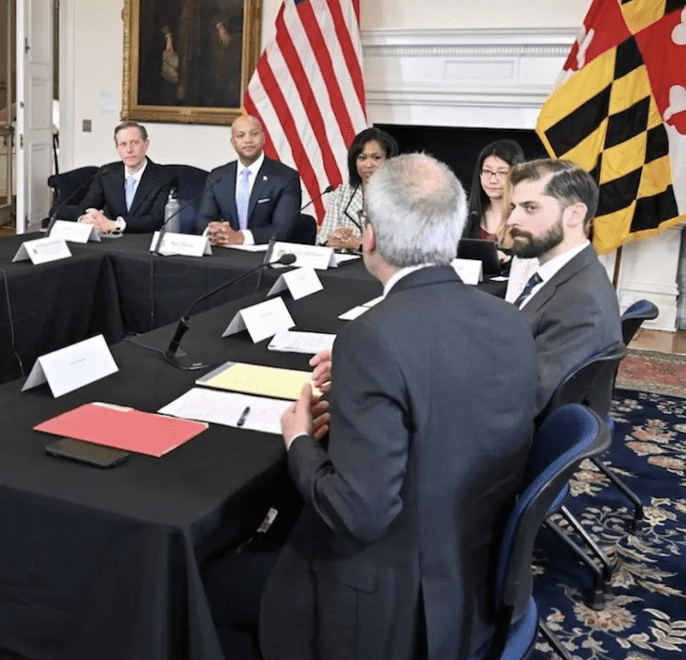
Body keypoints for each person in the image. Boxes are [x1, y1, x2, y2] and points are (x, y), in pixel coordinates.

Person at [206, 153, 537, 660]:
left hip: (387, 608)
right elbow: (447, 404)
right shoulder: (510, 319)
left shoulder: (371, 338)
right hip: (472, 579)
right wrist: (368, 396)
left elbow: (357, 513)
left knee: (204, 584)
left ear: (371, 236)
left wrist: (298, 439)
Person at [505, 158, 622, 412]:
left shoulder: (581, 302)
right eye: (513, 207)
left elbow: (524, 401)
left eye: (530, 208)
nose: (511, 220)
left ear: (574, 215)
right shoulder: (571, 273)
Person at [197, 115, 301, 246]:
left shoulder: (286, 177)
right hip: (223, 252)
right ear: (232, 142)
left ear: (263, 138)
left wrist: (240, 237)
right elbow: (203, 219)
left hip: (263, 254)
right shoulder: (218, 176)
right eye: (240, 136)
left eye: (254, 134)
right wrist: (214, 232)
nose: (248, 140)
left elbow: (283, 229)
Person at [152, 0, 232, 107]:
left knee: (196, 68)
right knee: (177, 69)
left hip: (197, 36)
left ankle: (193, 101)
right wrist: (168, 37)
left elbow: (210, 8)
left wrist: (220, 27)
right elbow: (163, 12)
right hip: (178, 35)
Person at [76, 122, 175, 234]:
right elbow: (86, 206)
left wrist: (115, 225)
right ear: (117, 149)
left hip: (143, 243)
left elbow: (156, 219)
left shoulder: (163, 176)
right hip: (110, 242)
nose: (129, 150)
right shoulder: (106, 173)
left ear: (146, 144)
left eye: (135, 143)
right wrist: (87, 218)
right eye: (123, 144)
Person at [317, 127, 398, 251]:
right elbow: (323, 238)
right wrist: (337, 238)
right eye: (362, 158)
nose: (368, 165)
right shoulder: (341, 194)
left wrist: (358, 244)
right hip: (345, 266)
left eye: (376, 158)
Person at [463, 139, 526, 272]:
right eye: (487, 171)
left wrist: (507, 262)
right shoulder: (469, 218)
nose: (492, 180)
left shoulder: (528, 220)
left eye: (502, 173)